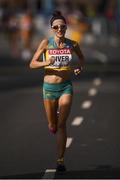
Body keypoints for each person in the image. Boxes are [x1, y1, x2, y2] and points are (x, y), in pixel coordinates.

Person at [29, 10, 85, 172]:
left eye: (62, 26)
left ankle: (60, 160)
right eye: (56, 27)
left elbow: (81, 59)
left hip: (66, 86)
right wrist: (46, 62)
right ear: (52, 28)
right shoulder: (46, 43)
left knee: (62, 125)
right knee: (53, 124)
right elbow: (32, 64)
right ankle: (52, 122)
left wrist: (79, 68)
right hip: (49, 88)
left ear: (66, 27)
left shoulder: (72, 44)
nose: (59, 29)